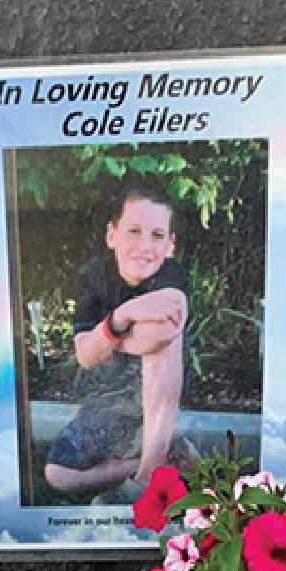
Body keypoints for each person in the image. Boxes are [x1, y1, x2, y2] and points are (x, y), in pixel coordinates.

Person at [43, 180, 189, 501]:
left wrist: (104, 338)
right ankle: (150, 463)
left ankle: (150, 471)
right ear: (112, 235)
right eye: (134, 231)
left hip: (157, 403)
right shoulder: (92, 278)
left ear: (170, 245)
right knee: (58, 475)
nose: (146, 246)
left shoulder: (169, 274)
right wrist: (123, 315)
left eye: (157, 236)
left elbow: (159, 335)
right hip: (111, 403)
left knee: (165, 344)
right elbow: (84, 356)